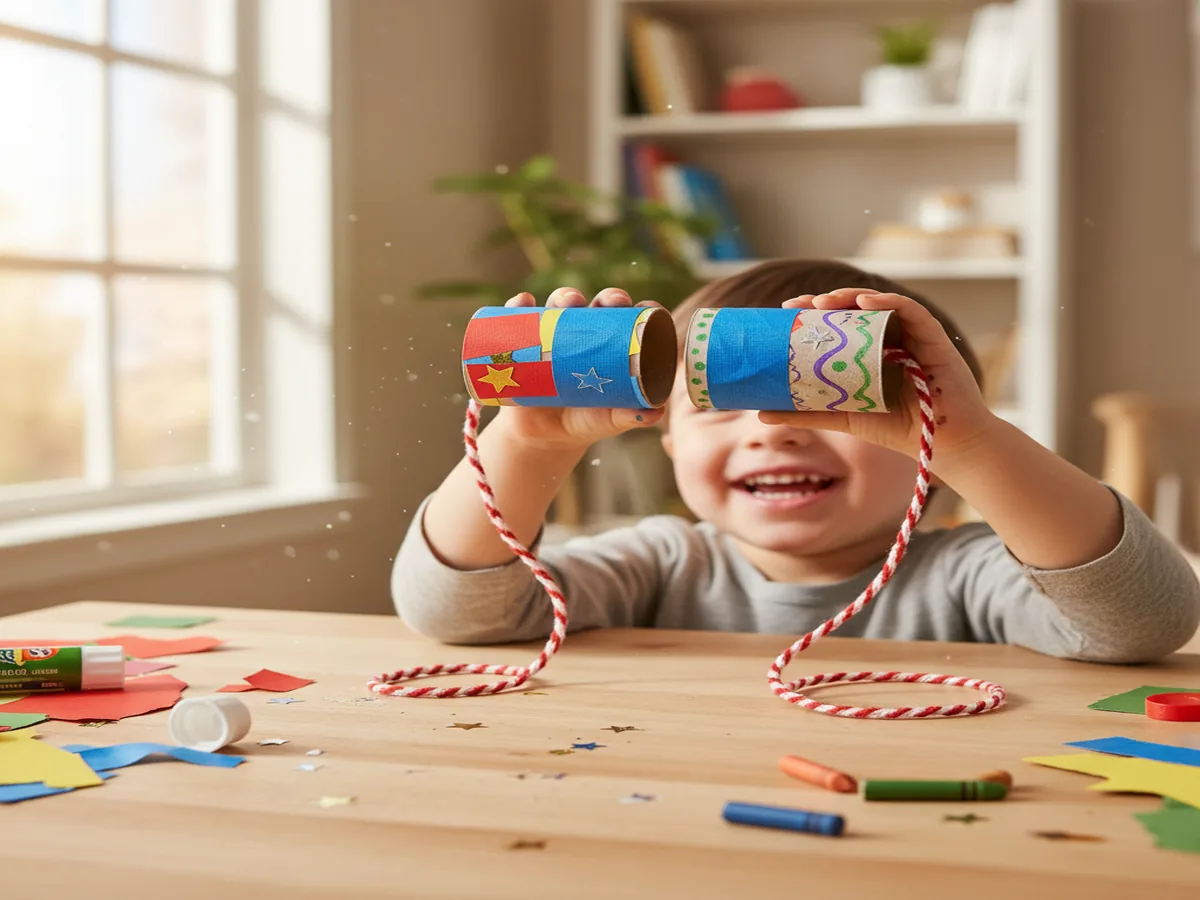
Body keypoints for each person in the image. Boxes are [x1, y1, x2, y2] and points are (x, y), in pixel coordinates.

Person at [392, 260, 1200, 662]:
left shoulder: (964, 575)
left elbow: (1146, 624)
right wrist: (525, 444)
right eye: (718, 401)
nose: (774, 431)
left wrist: (970, 441)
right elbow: (458, 615)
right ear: (667, 437)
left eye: (825, 403)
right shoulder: (662, 563)